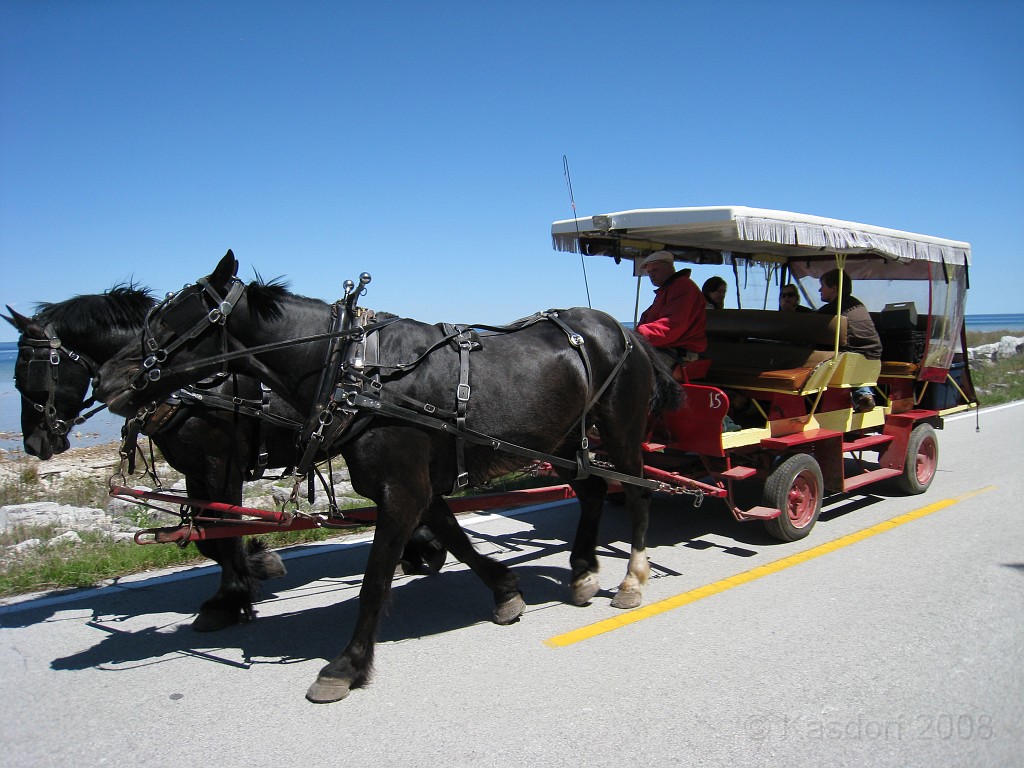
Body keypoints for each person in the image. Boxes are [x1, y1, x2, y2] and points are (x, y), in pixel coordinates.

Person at [817, 269, 883, 412]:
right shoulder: (856, 303)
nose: (819, 290)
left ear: (834, 288)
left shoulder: (833, 309)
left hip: (857, 355)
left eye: (823, 285)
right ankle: (863, 394)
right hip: (873, 353)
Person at [636, 250, 707, 365]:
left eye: (655, 270)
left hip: (680, 353)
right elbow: (646, 318)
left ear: (670, 267)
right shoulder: (666, 291)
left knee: (631, 366)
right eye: (649, 272)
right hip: (664, 349)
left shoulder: (683, 287)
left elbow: (672, 326)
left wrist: (637, 335)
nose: (651, 275)